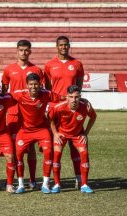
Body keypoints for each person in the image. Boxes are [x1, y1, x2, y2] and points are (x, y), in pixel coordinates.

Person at [1, 40, 45, 189]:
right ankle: (14, 180)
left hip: (30, 114)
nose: (24, 53)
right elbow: (4, 91)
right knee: (14, 148)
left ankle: (32, 180)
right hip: (14, 113)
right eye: (21, 50)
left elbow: (42, 91)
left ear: (30, 51)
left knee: (31, 147)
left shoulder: (37, 70)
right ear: (17, 51)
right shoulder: (9, 70)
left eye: (26, 50)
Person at [12, 73, 65, 194]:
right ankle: (21, 185)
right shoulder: (19, 94)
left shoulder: (46, 94)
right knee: (18, 154)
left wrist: (72, 97)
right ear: (27, 85)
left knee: (48, 152)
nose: (33, 86)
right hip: (25, 130)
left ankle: (45, 184)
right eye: (31, 84)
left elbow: (61, 98)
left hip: (41, 129)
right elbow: (3, 96)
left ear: (40, 84)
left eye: (36, 84)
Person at [44, 36, 85, 188]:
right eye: (61, 45)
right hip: (56, 110)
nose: (64, 47)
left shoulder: (77, 64)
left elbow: (79, 87)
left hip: (72, 109)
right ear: (56, 46)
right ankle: (54, 182)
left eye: (66, 45)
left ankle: (79, 178)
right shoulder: (49, 65)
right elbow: (48, 89)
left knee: (75, 146)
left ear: (69, 46)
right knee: (56, 146)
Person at [48, 85, 96, 193]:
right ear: (66, 97)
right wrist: (55, 133)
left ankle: (84, 185)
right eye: (71, 97)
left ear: (80, 96)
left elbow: (93, 117)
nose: (73, 100)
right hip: (62, 134)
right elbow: (50, 119)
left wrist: (86, 133)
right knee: (56, 154)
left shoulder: (85, 105)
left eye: (76, 97)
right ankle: (57, 184)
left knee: (84, 153)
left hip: (78, 135)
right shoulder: (59, 107)